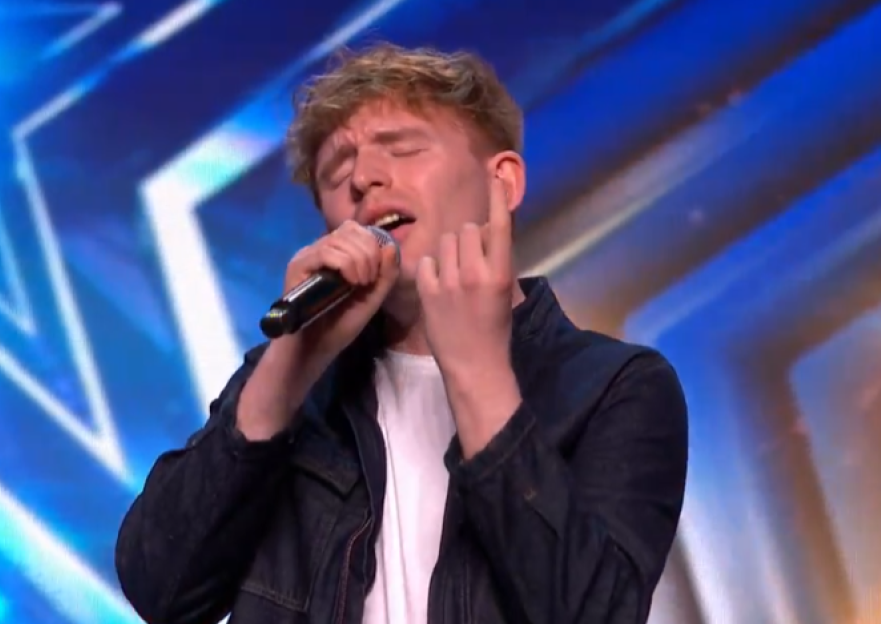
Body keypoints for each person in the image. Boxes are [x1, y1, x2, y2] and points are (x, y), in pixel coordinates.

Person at [115, 43, 689, 624]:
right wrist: (286, 370)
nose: (364, 179)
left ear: (504, 184)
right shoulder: (292, 386)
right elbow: (162, 591)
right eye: (338, 174)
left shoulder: (613, 388)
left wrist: (478, 373)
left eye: (404, 149)